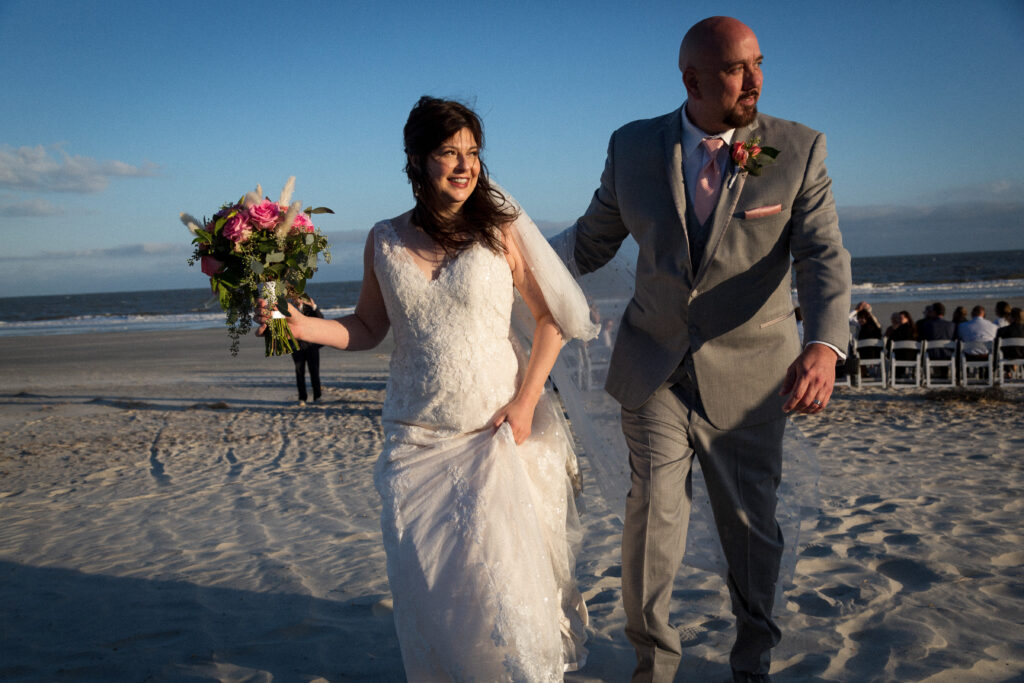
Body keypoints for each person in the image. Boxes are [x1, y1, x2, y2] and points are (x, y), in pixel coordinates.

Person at [551, 16, 851, 683]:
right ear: (691, 79)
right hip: (653, 366)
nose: (755, 81)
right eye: (736, 69)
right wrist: (507, 261)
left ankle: (753, 664)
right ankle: (653, 667)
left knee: (751, 531)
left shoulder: (797, 150)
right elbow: (592, 240)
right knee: (652, 519)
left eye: (759, 63)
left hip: (751, 380)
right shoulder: (631, 147)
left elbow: (823, 255)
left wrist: (825, 345)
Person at [257, 97, 593, 679]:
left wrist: (524, 404)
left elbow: (552, 319)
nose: (464, 167)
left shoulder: (500, 230)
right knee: (438, 601)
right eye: (448, 153)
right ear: (416, 159)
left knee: (505, 598)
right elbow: (367, 327)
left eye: (473, 153)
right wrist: (299, 324)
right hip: (415, 446)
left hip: (497, 438)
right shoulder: (383, 240)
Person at [290, 297, 324, 405]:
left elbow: (321, 319)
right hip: (297, 348)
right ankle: (302, 398)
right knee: (300, 374)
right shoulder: (289, 310)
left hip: (311, 346)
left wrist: (314, 306)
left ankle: (317, 396)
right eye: (295, 298)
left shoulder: (310, 309)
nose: (298, 300)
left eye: (299, 298)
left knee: (314, 372)